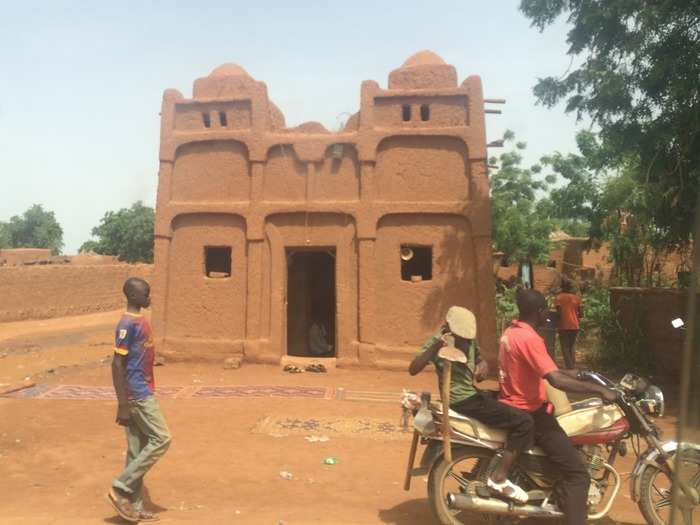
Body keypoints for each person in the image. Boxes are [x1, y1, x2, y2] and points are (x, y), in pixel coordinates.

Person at [498, 289, 617, 525]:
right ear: (540, 312)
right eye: (546, 310)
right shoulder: (530, 339)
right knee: (578, 474)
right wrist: (599, 390)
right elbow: (555, 380)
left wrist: (585, 375)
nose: (549, 315)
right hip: (531, 412)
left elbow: (549, 369)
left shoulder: (512, 332)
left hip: (514, 405)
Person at [409, 306, 533, 503]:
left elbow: (481, 361)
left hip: (474, 394)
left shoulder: (470, 340)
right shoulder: (438, 341)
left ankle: (490, 465)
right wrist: (436, 348)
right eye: (462, 337)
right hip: (462, 401)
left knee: (517, 404)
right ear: (448, 328)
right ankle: (499, 476)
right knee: (523, 421)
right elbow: (413, 368)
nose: (465, 341)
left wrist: (483, 366)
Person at [107, 277, 171, 523]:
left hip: (142, 390)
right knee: (162, 438)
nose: (149, 296)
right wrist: (122, 404)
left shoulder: (139, 321)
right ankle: (120, 485)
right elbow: (116, 364)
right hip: (137, 395)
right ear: (133, 297)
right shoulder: (126, 325)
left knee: (136, 450)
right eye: (146, 293)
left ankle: (132, 506)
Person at [555, 279, 582, 368]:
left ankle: (569, 366)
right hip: (575, 325)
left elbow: (558, 313)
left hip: (564, 325)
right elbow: (581, 313)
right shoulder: (577, 298)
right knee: (571, 346)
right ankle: (572, 365)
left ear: (562, 287)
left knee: (565, 347)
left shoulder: (559, 297)